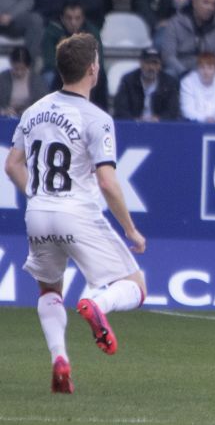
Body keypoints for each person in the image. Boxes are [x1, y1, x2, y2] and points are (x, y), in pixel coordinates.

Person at [4, 32, 148, 394]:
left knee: (49, 289)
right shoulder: (96, 118)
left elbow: (12, 165)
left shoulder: (34, 110)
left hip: (38, 213)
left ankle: (59, 359)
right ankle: (96, 303)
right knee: (135, 286)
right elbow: (107, 182)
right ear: (92, 70)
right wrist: (130, 229)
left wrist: (36, 194)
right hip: (76, 212)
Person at [44, 0, 109, 112]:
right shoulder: (52, 31)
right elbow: (49, 60)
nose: (73, 22)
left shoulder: (91, 32)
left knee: (100, 74)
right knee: (49, 75)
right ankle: (51, 110)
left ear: (83, 19)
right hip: (59, 72)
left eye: (77, 18)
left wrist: (80, 68)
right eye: (69, 18)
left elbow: (98, 59)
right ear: (62, 18)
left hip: (84, 71)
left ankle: (96, 111)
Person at [161, 0, 215, 76]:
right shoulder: (175, 23)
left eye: (213, 4)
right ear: (194, 2)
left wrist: (208, 72)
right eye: (206, 2)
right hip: (180, 69)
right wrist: (184, 72)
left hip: (208, 71)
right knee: (169, 74)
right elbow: (168, 56)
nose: (210, 8)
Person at [113, 47, 181, 121]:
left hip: (160, 127)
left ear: (160, 65)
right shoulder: (128, 80)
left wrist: (159, 119)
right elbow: (120, 109)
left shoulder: (169, 82)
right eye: (148, 63)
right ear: (141, 63)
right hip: (134, 126)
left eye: (155, 63)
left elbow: (172, 111)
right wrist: (135, 120)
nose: (151, 67)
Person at [179, 51, 215, 123]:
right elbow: (187, 110)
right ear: (197, 69)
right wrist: (205, 119)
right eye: (202, 68)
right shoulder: (187, 83)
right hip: (194, 125)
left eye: (210, 68)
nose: (205, 72)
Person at [0, 47, 48, 117]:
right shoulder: (2, 78)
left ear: (28, 67)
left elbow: (44, 102)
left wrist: (30, 110)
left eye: (23, 69)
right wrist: (3, 110)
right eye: (16, 69)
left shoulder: (37, 80)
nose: (19, 73)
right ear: (11, 64)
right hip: (7, 117)